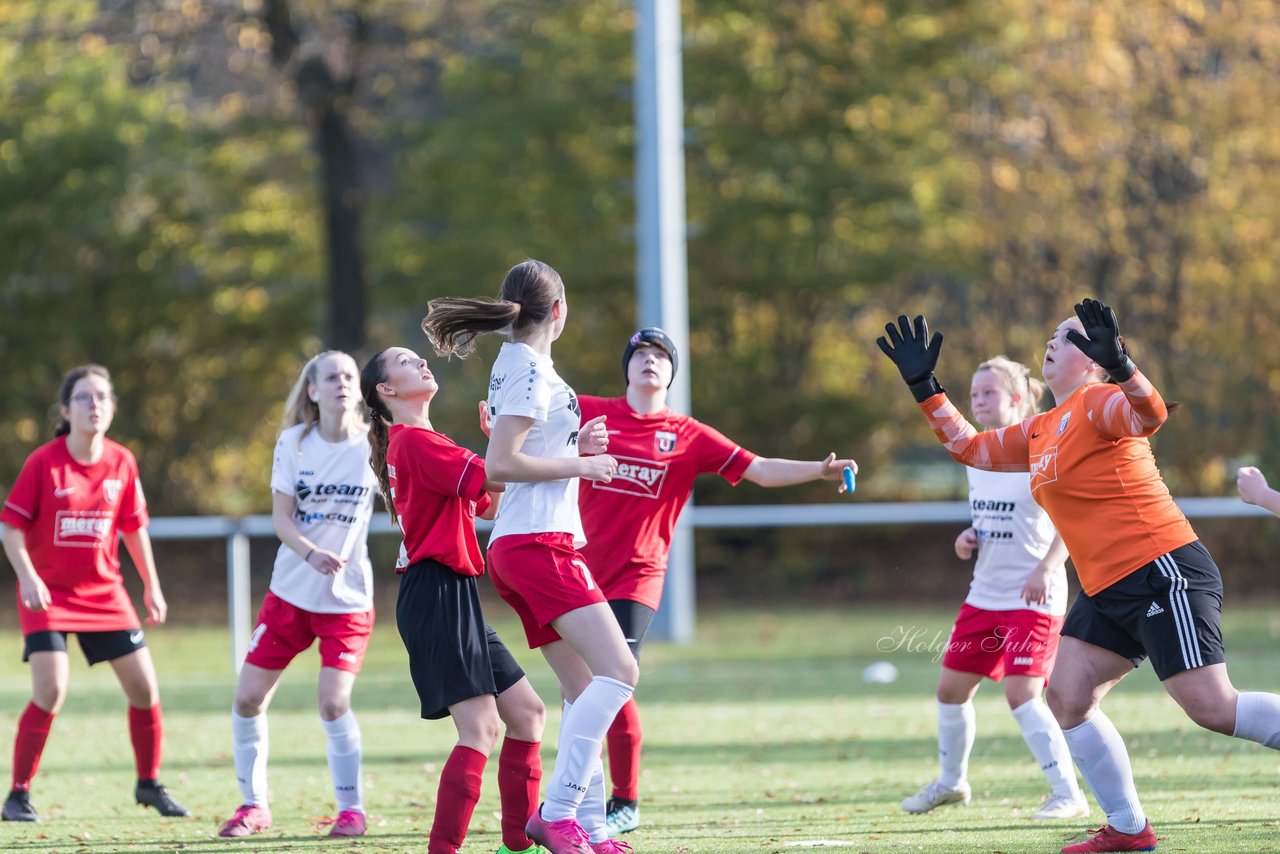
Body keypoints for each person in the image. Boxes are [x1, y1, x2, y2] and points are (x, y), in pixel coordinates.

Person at [878, 299, 1280, 853]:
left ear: (1094, 359)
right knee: (1067, 699)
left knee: (1212, 707)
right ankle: (1129, 830)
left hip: (1161, 569)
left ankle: (1127, 827)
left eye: (1069, 337)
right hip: (1105, 587)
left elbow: (1150, 414)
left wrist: (1120, 365)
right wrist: (925, 386)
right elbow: (970, 448)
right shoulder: (1042, 428)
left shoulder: (1101, 401)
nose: (1053, 341)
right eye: (1054, 333)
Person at [575, 327, 856, 835]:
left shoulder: (687, 434)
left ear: (671, 371)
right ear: (627, 366)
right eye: (640, 352)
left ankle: (624, 802)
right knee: (581, 691)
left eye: (661, 354)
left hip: (638, 578)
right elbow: (533, 416)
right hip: (580, 571)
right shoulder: (591, 411)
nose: (650, 361)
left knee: (611, 684)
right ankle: (579, 799)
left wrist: (819, 470)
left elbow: (762, 469)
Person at [422, 259, 636, 854]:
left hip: (534, 543)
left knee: (584, 685)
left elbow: (530, 449)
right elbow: (501, 465)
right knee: (622, 673)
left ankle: (587, 825)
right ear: (560, 310)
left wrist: (578, 443)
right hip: (537, 545)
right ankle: (558, 813)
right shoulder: (526, 369)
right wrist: (583, 464)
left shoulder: (527, 366)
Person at [361, 345, 547, 854]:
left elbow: (488, 500)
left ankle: (521, 838)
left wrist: (498, 448)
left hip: (452, 593)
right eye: (405, 361)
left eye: (420, 358)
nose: (421, 362)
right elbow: (495, 475)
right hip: (436, 593)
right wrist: (528, 446)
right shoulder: (416, 441)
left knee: (527, 713)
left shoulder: (424, 440)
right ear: (387, 390)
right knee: (480, 728)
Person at [898, 356, 1087, 820]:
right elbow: (993, 519)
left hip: (1034, 598)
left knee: (1022, 694)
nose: (978, 401)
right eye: (974, 393)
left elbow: (1070, 523)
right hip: (984, 594)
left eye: (989, 393)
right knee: (950, 692)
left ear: (1018, 399)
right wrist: (971, 536)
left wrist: (1046, 567)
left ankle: (1069, 795)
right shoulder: (977, 454)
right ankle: (951, 783)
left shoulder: (1041, 451)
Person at [0, 364, 189, 823]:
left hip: (105, 595)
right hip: (49, 597)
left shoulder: (122, 461)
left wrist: (152, 587)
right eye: (84, 398)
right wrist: (27, 577)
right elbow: (10, 528)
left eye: (102, 397)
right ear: (66, 409)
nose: (95, 405)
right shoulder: (44, 462)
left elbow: (133, 528)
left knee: (145, 690)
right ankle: (17, 796)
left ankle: (149, 784)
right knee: (51, 690)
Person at [217, 351, 377, 839]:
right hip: (289, 593)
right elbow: (281, 519)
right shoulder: (294, 443)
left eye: (349, 375)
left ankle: (352, 810)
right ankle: (254, 806)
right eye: (331, 377)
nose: (342, 383)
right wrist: (311, 553)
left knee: (332, 703)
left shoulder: (376, 444)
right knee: (247, 699)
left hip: (347, 602)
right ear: (312, 390)